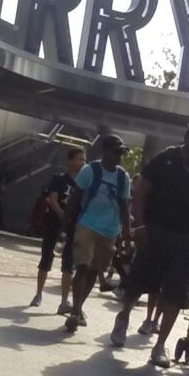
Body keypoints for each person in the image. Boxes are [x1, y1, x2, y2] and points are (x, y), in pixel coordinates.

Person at [113, 121, 189, 365]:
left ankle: (160, 345)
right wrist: (140, 225)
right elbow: (141, 192)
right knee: (139, 281)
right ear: (187, 138)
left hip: (186, 239)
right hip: (156, 231)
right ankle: (124, 316)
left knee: (176, 293)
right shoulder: (166, 159)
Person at [61, 135, 131, 328]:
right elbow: (75, 198)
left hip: (109, 230)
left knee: (94, 270)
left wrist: (126, 235)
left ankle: (79, 307)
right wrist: (65, 224)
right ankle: (75, 311)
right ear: (105, 151)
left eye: (122, 153)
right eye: (116, 152)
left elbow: (124, 207)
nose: (119, 156)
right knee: (82, 267)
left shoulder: (123, 177)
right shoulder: (90, 170)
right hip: (87, 224)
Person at [31, 143, 84, 306]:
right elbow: (52, 199)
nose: (82, 163)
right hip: (54, 223)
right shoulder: (59, 179)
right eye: (79, 159)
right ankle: (38, 293)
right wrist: (62, 214)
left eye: (84, 160)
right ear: (70, 160)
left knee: (68, 263)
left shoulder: (84, 183)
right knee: (47, 257)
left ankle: (64, 300)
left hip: (73, 226)